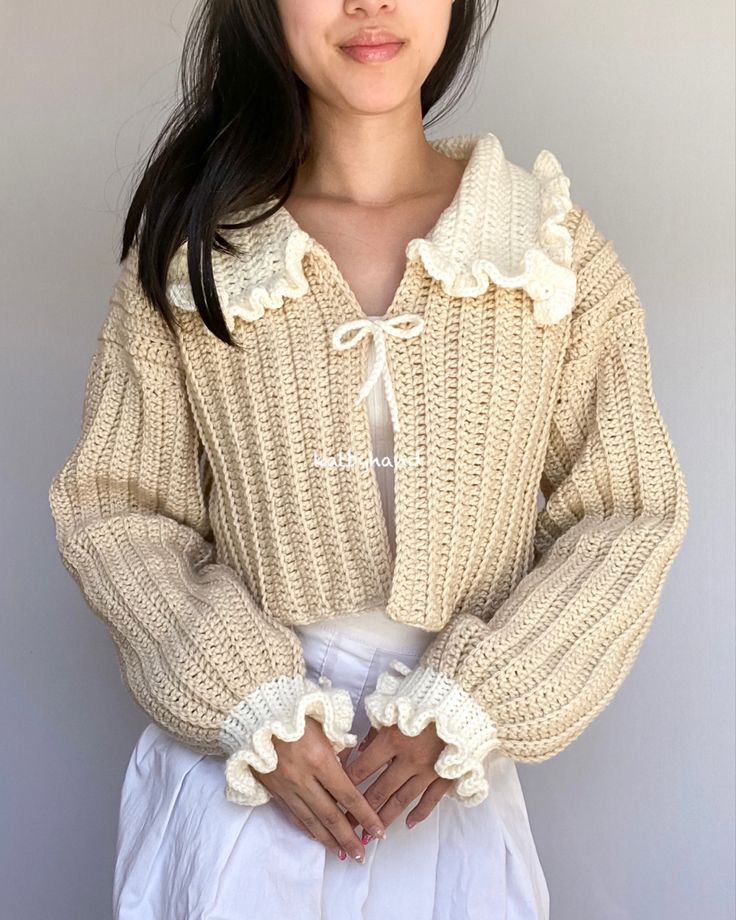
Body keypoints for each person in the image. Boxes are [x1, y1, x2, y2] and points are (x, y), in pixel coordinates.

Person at [47, 1, 690, 918]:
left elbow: (628, 511)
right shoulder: (201, 248)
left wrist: (474, 701)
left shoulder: (548, 249)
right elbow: (115, 505)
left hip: (444, 788)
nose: (371, 3)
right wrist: (248, 699)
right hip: (242, 784)